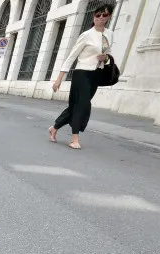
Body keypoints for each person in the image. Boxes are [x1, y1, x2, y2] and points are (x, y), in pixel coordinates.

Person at [50, 4, 114, 149]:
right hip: (82, 73)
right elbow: (71, 57)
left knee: (76, 106)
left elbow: (109, 54)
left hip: (97, 74)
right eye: (98, 15)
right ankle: (75, 139)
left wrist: (106, 58)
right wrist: (59, 79)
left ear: (109, 17)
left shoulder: (110, 34)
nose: (101, 18)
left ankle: (54, 128)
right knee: (82, 105)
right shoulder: (86, 35)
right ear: (94, 16)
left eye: (104, 15)